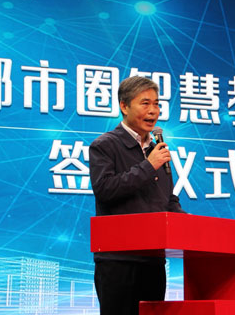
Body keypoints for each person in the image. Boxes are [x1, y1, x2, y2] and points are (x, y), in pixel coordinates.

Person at [89, 75, 185, 315]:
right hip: (118, 262)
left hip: (153, 261)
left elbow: (167, 199)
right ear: (124, 106)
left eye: (156, 104)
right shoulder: (105, 145)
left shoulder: (157, 150)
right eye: (145, 103)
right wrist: (148, 166)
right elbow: (105, 189)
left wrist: (188, 224)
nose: (153, 110)